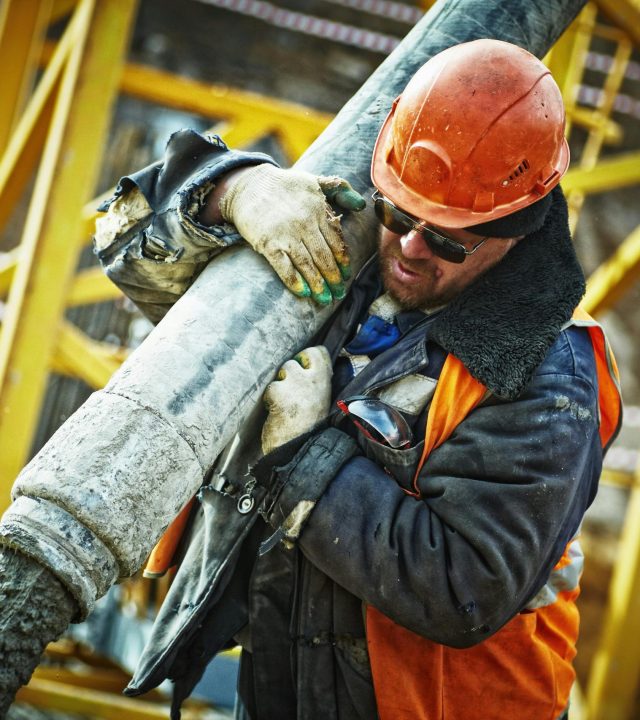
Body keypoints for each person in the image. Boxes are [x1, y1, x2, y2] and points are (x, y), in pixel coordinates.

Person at [0, 38, 622, 720]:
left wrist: (302, 460)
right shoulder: (357, 248)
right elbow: (127, 245)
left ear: (518, 231)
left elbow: (462, 585)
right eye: (398, 215)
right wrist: (231, 192)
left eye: (447, 239)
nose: (410, 250)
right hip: (286, 682)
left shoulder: (551, 376)